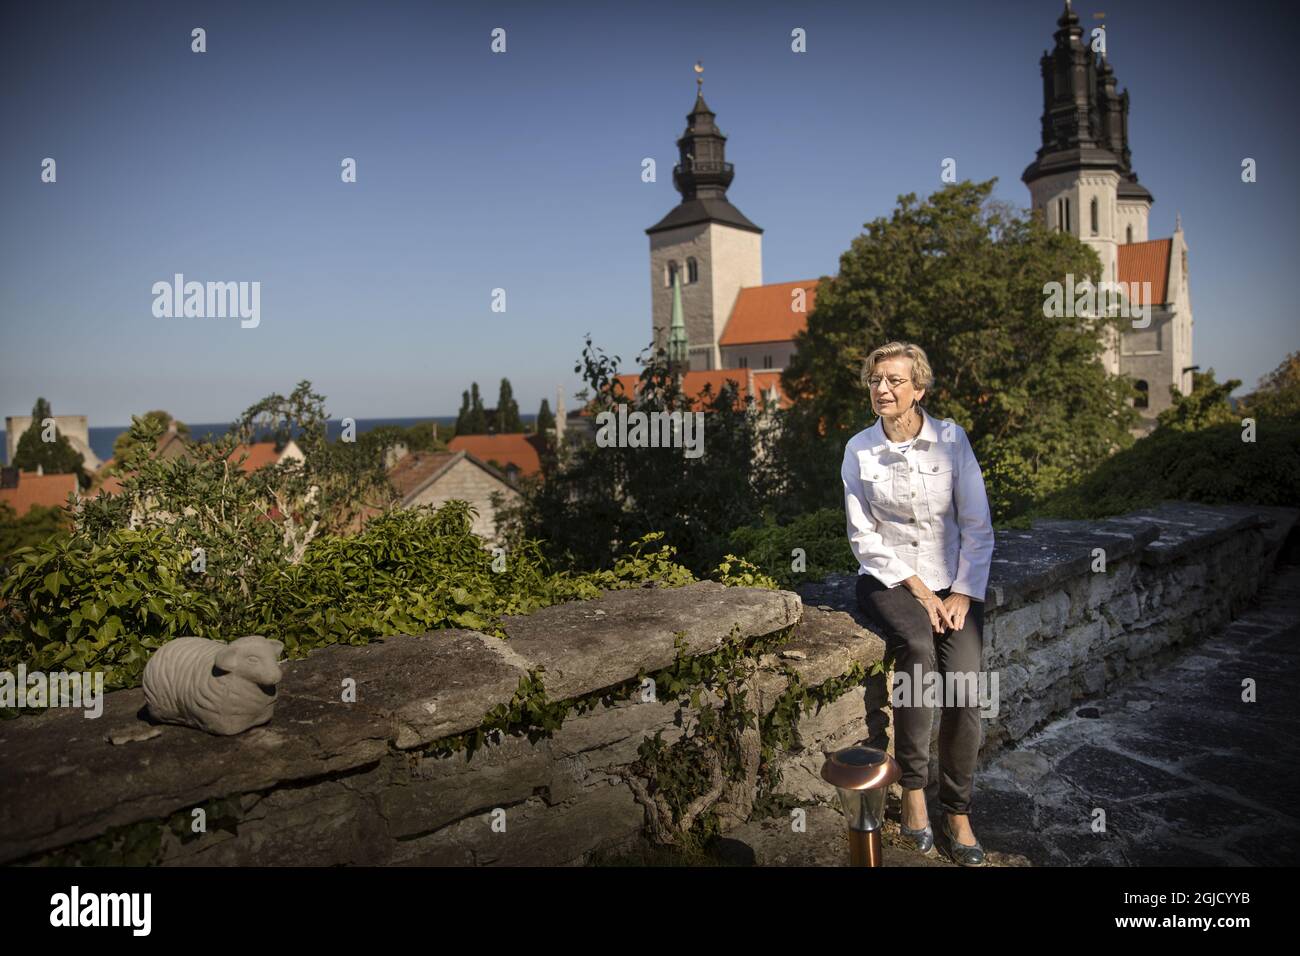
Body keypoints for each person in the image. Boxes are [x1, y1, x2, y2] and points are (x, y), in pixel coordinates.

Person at [840, 341, 995, 866]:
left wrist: (962, 593)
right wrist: (921, 592)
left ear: (918, 389)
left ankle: (956, 810)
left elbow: (977, 526)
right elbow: (863, 537)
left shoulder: (952, 440)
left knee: (967, 688)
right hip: (888, 580)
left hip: (954, 580)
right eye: (875, 380)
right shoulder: (858, 448)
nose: (882, 389)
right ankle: (912, 793)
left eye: (894, 381)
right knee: (919, 649)